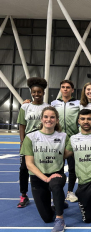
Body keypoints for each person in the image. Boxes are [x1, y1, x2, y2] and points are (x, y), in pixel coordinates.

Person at [20, 107, 71, 232]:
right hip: (38, 178)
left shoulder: (64, 136)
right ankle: (57, 204)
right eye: (46, 117)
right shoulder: (31, 137)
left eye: (52, 117)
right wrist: (45, 178)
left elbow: (67, 153)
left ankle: (60, 219)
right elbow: (29, 164)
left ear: (57, 120)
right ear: (41, 119)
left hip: (56, 174)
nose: (49, 119)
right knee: (47, 218)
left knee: (56, 184)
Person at [17, 77, 49, 208]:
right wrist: (22, 141)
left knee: (45, 168)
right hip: (29, 142)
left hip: (43, 142)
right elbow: (22, 125)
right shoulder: (25, 107)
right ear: (31, 92)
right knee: (24, 169)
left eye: (39, 92)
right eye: (34, 92)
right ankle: (24, 195)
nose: (36, 94)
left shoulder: (48, 107)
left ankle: (47, 195)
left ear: (43, 93)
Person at [50, 80, 80, 203]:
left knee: (73, 168)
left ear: (72, 90)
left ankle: (70, 192)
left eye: (68, 87)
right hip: (58, 139)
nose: (65, 89)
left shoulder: (78, 103)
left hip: (72, 139)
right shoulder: (54, 103)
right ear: (61, 89)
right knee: (58, 168)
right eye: (63, 87)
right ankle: (59, 193)